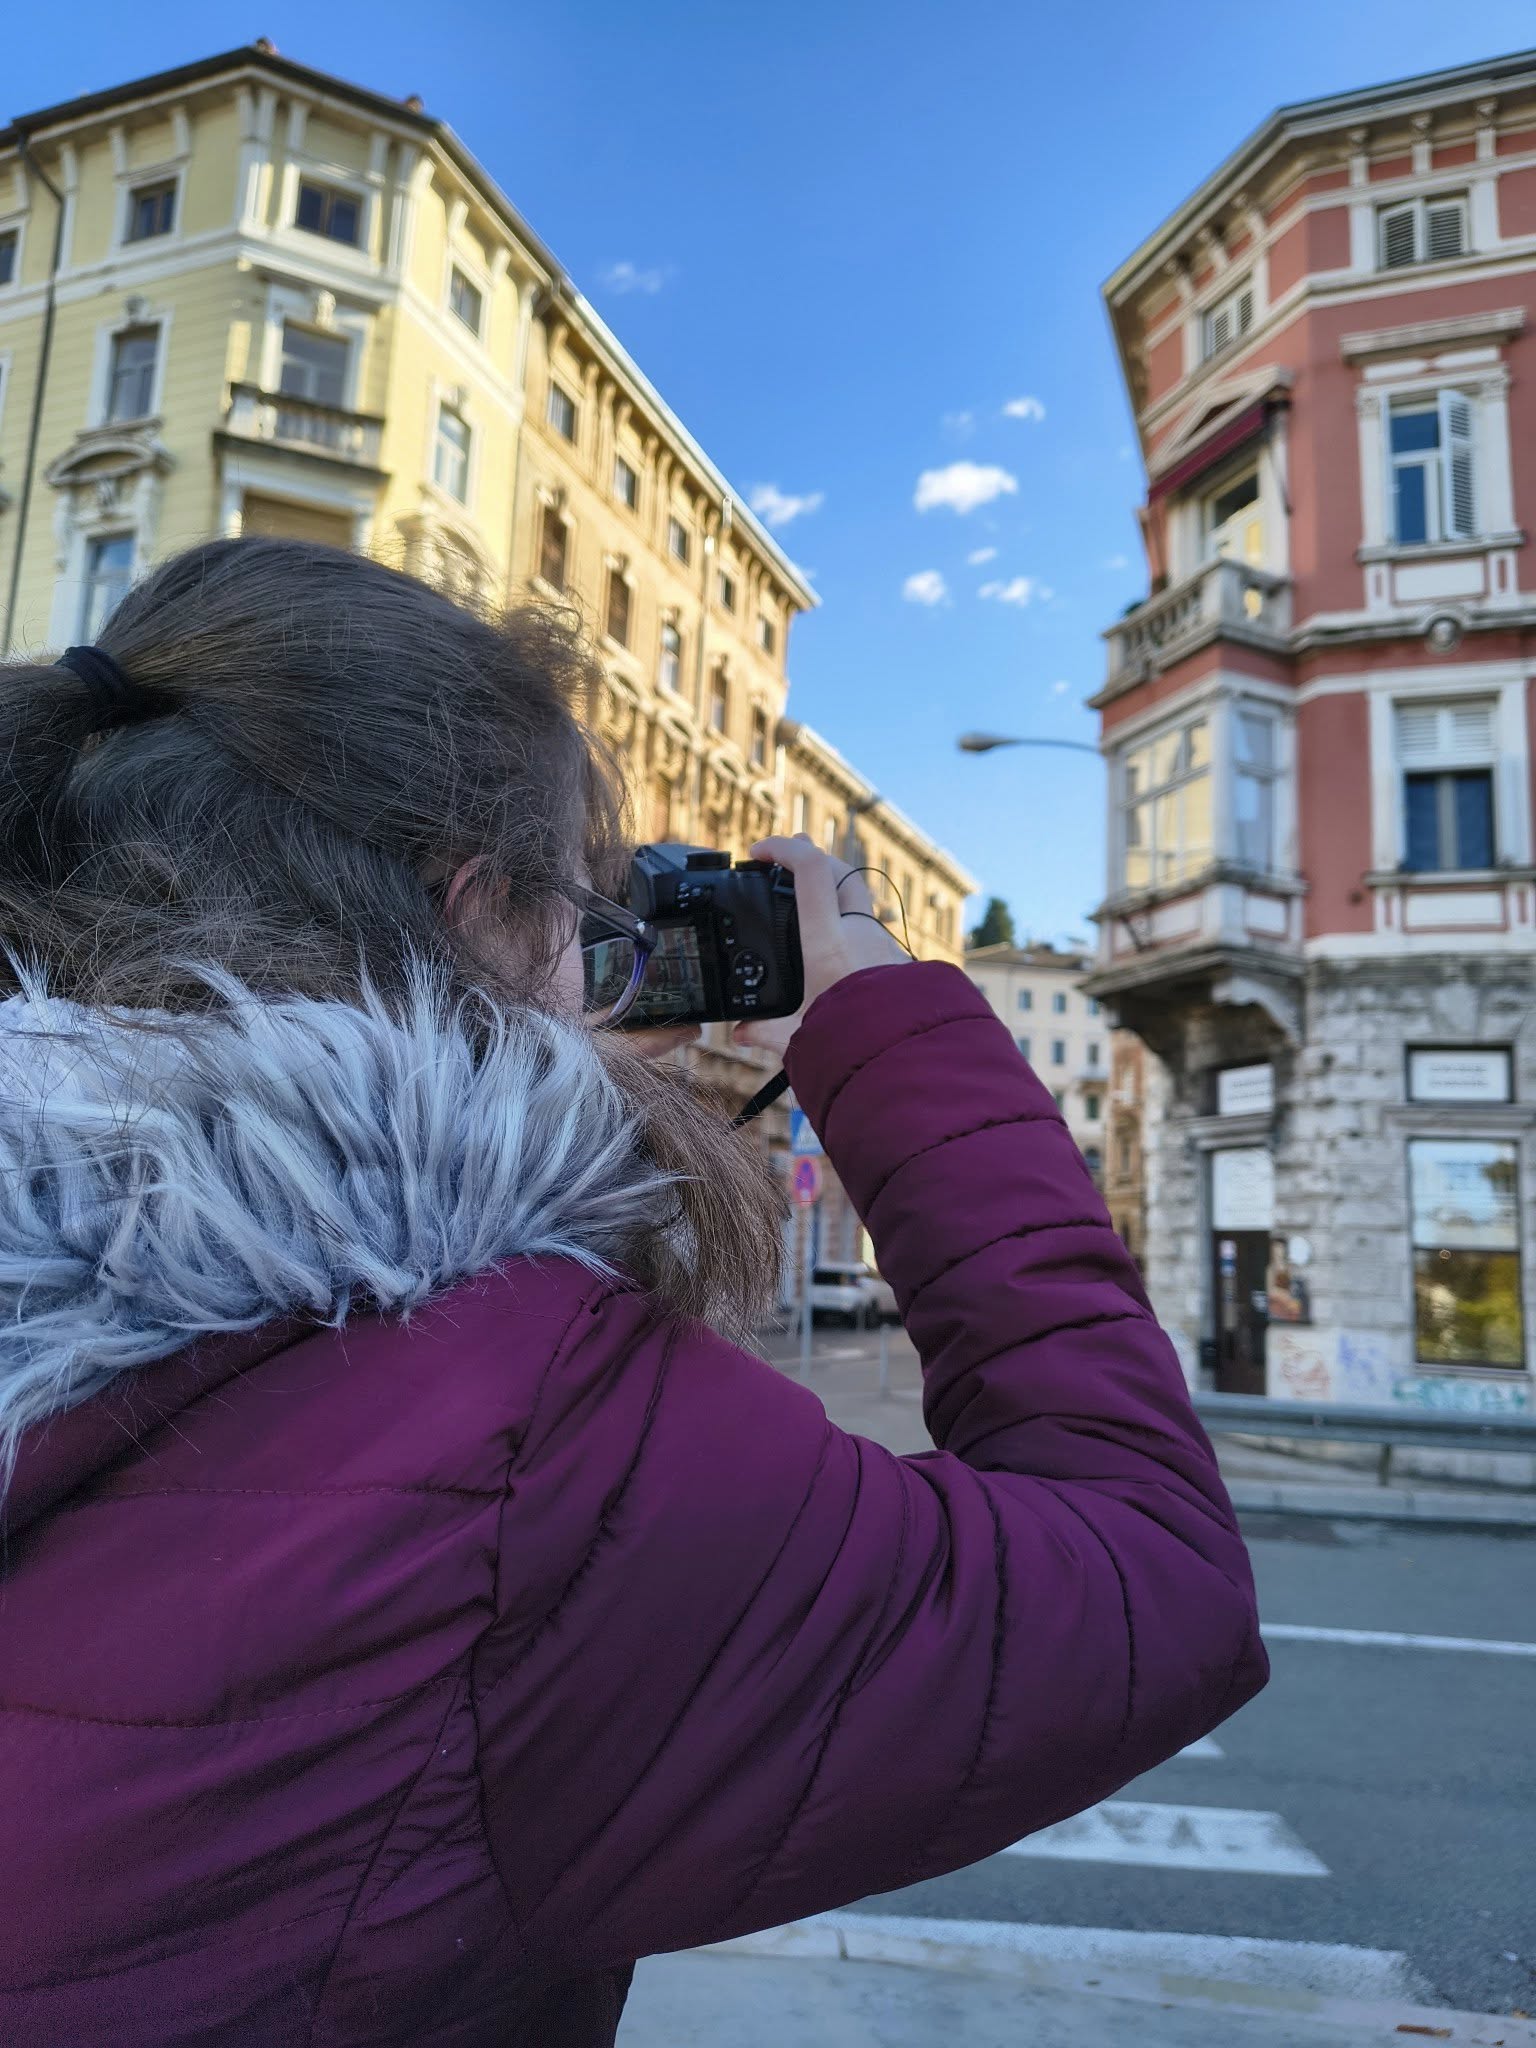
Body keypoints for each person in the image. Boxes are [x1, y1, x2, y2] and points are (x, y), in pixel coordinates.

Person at [0, 538, 1266, 2048]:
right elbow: (1151, 1582)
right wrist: (884, 1030)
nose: (607, 974)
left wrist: (521, 1114)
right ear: (468, 912)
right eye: (579, 924)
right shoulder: (511, 1437)